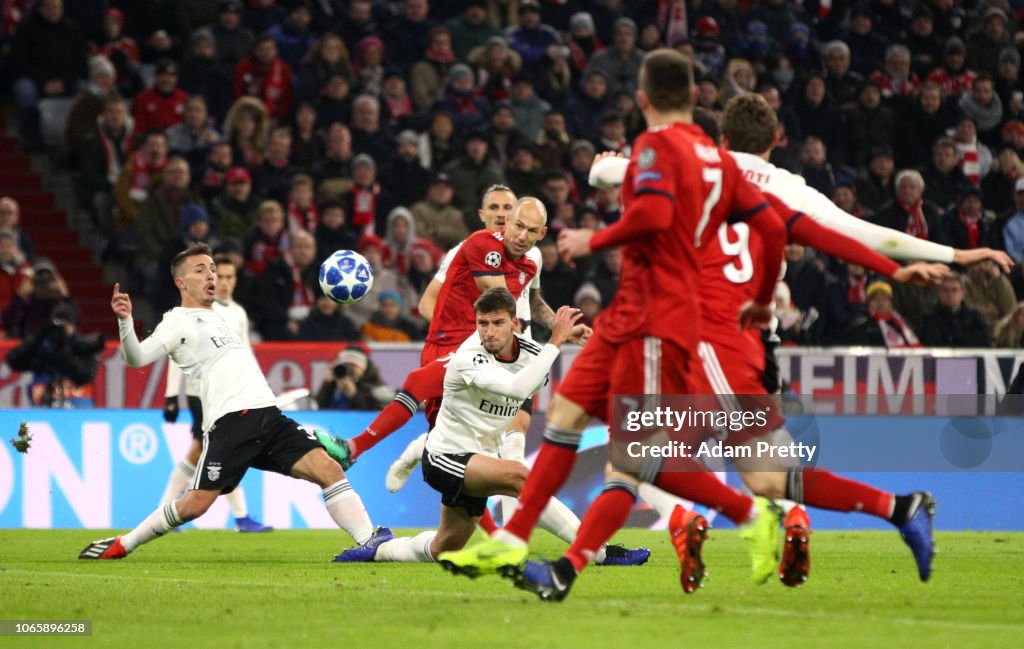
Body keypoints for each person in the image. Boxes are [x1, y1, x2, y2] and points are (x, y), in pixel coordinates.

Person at [437, 49, 789, 599]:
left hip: (651, 319)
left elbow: (647, 213)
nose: (525, 235)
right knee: (576, 422)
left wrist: (593, 235)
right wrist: (766, 299)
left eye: (537, 228)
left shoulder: (658, 148)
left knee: (629, 453)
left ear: (642, 100)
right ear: (695, 98)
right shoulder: (713, 165)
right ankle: (525, 542)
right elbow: (773, 228)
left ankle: (745, 514)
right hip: (634, 321)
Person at [79, 243, 381, 560]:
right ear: (181, 283)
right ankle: (123, 543)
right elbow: (137, 357)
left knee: (329, 469)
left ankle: (368, 543)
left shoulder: (225, 316)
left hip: (268, 416)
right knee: (194, 505)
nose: (210, 275)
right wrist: (125, 321)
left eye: (211, 268)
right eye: (200, 270)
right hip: (232, 422)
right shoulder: (178, 320)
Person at [333, 289, 644, 568]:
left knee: (443, 547)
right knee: (521, 476)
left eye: (497, 323)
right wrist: (557, 341)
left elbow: (538, 386)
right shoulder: (469, 359)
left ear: (515, 324)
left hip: (478, 458)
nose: (489, 332)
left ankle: (379, 548)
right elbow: (515, 390)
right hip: (445, 458)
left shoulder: (534, 355)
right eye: (483, 323)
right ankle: (599, 552)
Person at [159, 255, 271, 533]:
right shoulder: (198, 311)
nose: (223, 282)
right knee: (205, 448)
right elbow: (176, 353)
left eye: (230, 277)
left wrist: (259, 387)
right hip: (201, 392)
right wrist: (172, 394)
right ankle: (170, 509)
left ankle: (238, 517)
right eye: (218, 276)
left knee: (217, 449)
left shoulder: (238, 313)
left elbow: (245, 353)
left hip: (234, 392)